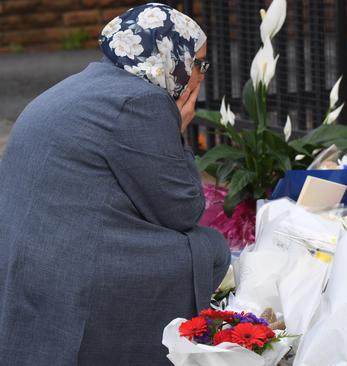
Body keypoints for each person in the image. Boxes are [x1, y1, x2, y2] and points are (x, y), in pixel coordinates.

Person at [0, 4, 230, 365]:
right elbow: (181, 210)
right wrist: (177, 130)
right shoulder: (141, 101)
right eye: (198, 63)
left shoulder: (85, 83)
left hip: (27, 261)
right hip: (72, 274)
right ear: (172, 57)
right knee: (209, 247)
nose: (200, 75)